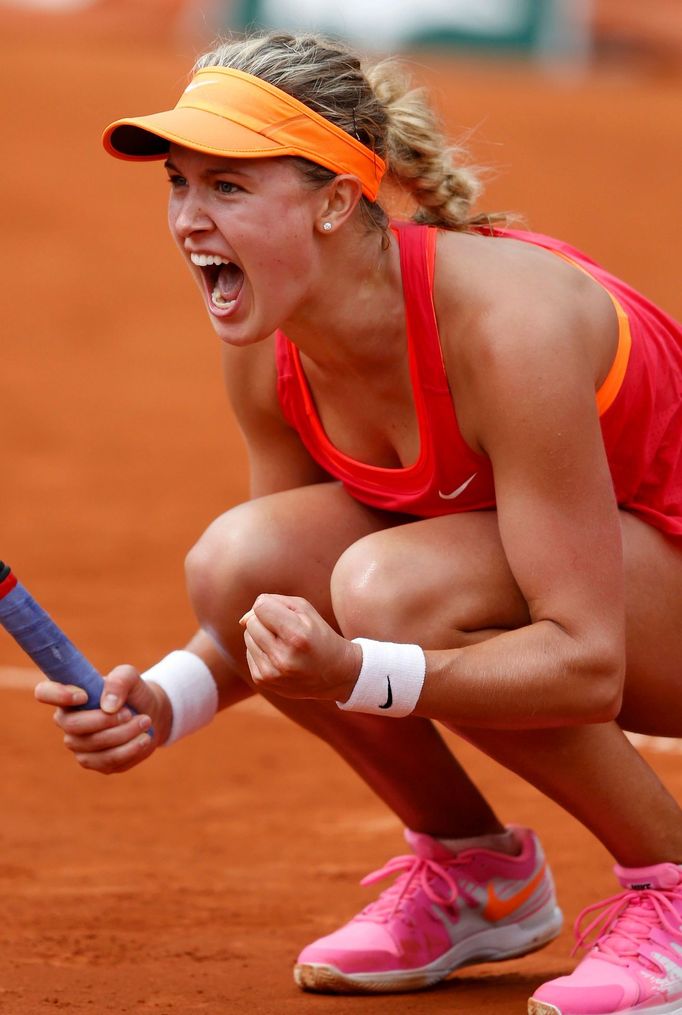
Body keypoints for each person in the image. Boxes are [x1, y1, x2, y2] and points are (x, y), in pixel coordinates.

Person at [34, 30, 682, 1015]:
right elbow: (271, 615)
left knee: (392, 592)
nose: (189, 219)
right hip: (600, 594)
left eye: (230, 188)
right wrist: (166, 701)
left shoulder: (511, 329)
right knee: (240, 562)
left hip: (641, 609)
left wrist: (361, 672)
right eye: (180, 183)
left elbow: (586, 659)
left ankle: (671, 891)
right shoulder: (270, 334)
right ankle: (479, 878)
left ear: (336, 199)